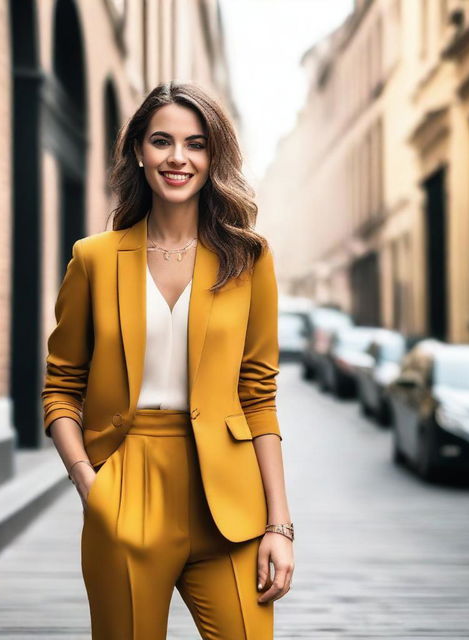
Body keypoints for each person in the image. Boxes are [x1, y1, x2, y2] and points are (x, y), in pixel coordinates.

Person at [41, 80, 294, 640]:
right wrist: (90, 485)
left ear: (212, 156)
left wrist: (279, 524)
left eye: (196, 144)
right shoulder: (95, 260)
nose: (178, 158)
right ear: (138, 150)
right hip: (127, 485)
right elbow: (61, 387)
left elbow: (259, 394)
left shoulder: (248, 259)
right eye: (162, 141)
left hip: (230, 502)